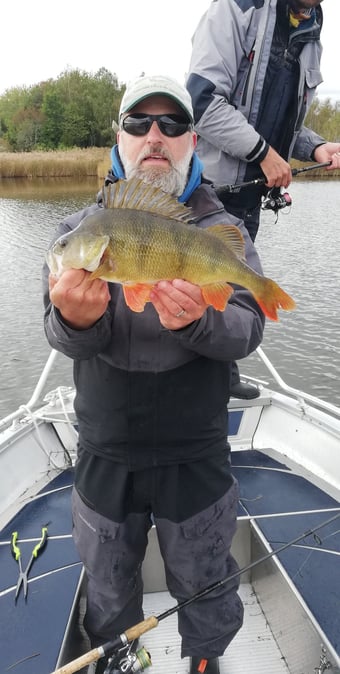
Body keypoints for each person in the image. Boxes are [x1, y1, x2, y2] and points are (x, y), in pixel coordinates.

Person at [43, 75, 265, 674]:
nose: (155, 137)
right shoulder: (82, 231)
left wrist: (198, 323)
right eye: (139, 124)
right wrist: (75, 320)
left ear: (193, 138)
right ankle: (119, 657)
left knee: (206, 579)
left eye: (171, 125)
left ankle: (204, 660)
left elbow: (248, 328)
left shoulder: (224, 231)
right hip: (106, 449)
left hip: (195, 451)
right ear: (120, 137)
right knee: (109, 584)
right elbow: (57, 331)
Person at [186, 0, 340, 398]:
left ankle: (220, 371)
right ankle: (183, 379)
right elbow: (200, 103)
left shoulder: (311, 29)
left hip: (250, 199)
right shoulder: (235, 10)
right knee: (188, 283)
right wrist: (264, 154)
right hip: (208, 193)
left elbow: (285, 121)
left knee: (227, 290)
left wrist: (316, 146)